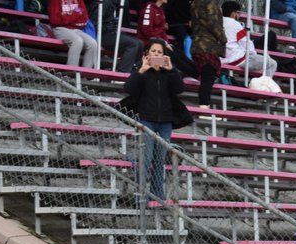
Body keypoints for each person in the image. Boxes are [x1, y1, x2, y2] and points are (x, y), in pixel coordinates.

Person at [124, 39, 187, 200]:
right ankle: (140, 194)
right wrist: (142, 70)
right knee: (147, 157)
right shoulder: (140, 68)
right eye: (153, 52)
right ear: (146, 54)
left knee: (160, 160)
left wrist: (171, 70)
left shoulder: (169, 71)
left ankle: (157, 195)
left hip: (165, 121)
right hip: (146, 119)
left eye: (159, 52)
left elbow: (180, 89)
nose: (156, 55)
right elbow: (128, 88)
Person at [221, 0, 276, 79]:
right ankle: (264, 85)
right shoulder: (236, 25)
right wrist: (254, 55)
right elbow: (247, 45)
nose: (239, 15)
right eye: (238, 13)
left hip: (221, 59)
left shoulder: (216, 23)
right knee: (272, 63)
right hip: (237, 60)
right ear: (233, 13)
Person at [188, 0, 225, 106]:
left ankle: (204, 106)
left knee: (205, 77)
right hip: (208, 46)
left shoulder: (194, 4)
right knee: (208, 79)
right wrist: (223, 38)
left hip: (197, 44)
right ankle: (204, 106)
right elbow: (213, 24)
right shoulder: (210, 3)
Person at [49, 0, 100, 68]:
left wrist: (67, 17)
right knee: (77, 41)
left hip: (77, 29)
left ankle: (86, 72)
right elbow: (55, 20)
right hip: (60, 29)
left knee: (93, 43)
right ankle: (71, 69)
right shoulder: (55, 1)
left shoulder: (80, 1)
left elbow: (84, 20)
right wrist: (76, 14)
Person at [96, 0, 142, 72]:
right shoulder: (106, 3)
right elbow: (96, 21)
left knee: (140, 43)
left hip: (111, 33)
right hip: (102, 35)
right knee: (134, 44)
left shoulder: (115, 3)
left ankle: (134, 70)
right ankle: (123, 72)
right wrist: (108, 27)